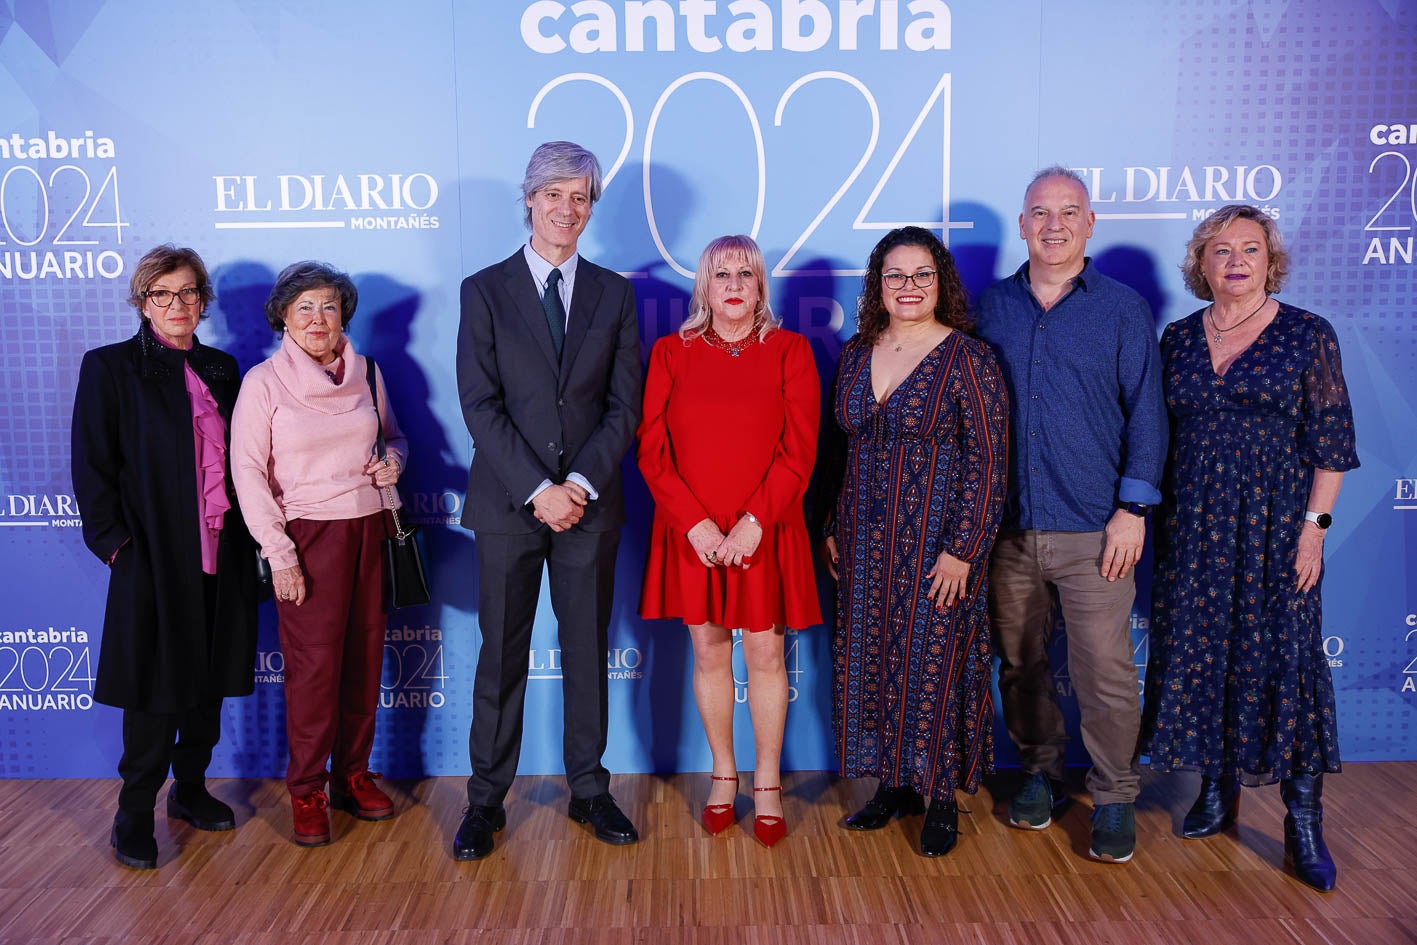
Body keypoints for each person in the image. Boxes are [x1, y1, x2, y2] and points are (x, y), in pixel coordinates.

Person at [1140, 205, 1358, 892]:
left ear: (1270, 260)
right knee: (1203, 652)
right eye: (1219, 249)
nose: (1234, 260)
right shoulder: (1175, 338)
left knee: (1284, 661)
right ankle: (1214, 788)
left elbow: (1331, 443)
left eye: (1249, 248)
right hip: (1193, 527)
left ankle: (1301, 818)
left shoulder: (1305, 334)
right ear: (1199, 264)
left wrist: (1312, 530)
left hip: (1275, 529)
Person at [453, 141, 643, 860]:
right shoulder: (484, 289)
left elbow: (624, 405)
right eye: (555, 194)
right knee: (500, 652)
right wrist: (539, 488)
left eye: (582, 197)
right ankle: (483, 801)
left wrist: (578, 486)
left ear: (593, 206)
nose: (568, 209)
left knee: (586, 648)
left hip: (589, 505)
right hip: (508, 503)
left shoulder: (615, 293)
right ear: (529, 199)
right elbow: (478, 401)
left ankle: (589, 790)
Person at [975, 166, 1167, 864]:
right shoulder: (987, 308)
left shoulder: (1119, 309)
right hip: (1007, 530)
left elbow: (1146, 413)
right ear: (1021, 224)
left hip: (1095, 528)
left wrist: (1132, 508)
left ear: (1089, 224)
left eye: (1067, 211)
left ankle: (1114, 796)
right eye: (1038, 212)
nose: (1052, 224)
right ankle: (1040, 772)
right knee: (1021, 664)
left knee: (1104, 671)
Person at [72, 244, 260, 870]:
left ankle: (192, 790)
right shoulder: (110, 368)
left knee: (208, 680)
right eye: (162, 294)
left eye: (187, 293)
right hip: (151, 555)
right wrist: (118, 548)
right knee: (155, 690)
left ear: (203, 301)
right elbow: (91, 468)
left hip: (221, 550)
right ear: (142, 302)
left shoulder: (224, 368)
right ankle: (133, 814)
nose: (177, 305)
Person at [824, 226, 1009, 858]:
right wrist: (829, 525)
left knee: (933, 665)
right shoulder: (855, 353)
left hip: (938, 546)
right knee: (874, 662)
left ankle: (939, 799)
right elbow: (838, 452)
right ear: (879, 286)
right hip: (862, 540)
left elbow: (989, 464)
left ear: (941, 284)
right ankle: (893, 784)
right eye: (896, 276)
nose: (908, 287)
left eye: (921, 275)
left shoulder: (969, 359)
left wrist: (964, 549)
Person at [637, 235, 821, 848]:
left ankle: (766, 781)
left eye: (746, 273)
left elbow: (800, 450)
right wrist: (694, 523)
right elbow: (652, 450)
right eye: (722, 275)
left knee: (767, 655)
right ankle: (724, 774)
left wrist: (753, 522)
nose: (735, 284)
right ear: (704, 286)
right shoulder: (670, 352)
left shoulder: (792, 352)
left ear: (762, 284)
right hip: (693, 531)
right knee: (710, 650)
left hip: (763, 529)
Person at [231, 261, 406, 847]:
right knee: (313, 673)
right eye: (304, 307)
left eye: (329, 306)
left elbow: (395, 437)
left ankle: (352, 776)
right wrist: (279, 555)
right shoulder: (263, 383)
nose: (317, 319)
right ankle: (307, 787)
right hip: (307, 539)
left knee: (363, 665)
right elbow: (248, 474)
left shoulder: (368, 371)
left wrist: (394, 465)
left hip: (371, 530)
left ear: (343, 316)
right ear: (282, 316)